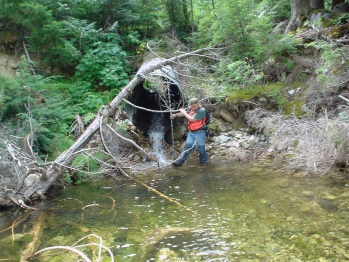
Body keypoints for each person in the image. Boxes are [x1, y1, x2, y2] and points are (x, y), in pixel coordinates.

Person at [170, 98, 208, 166]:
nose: (195, 107)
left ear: (199, 103)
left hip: (200, 132)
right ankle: (179, 162)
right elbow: (183, 114)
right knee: (188, 145)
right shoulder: (190, 108)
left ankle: (203, 163)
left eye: (197, 105)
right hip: (192, 132)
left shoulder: (202, 110)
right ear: (191, 105)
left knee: (201, 148)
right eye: (194, 106)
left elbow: (192, 119)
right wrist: (175, 115)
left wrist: (184, 112)